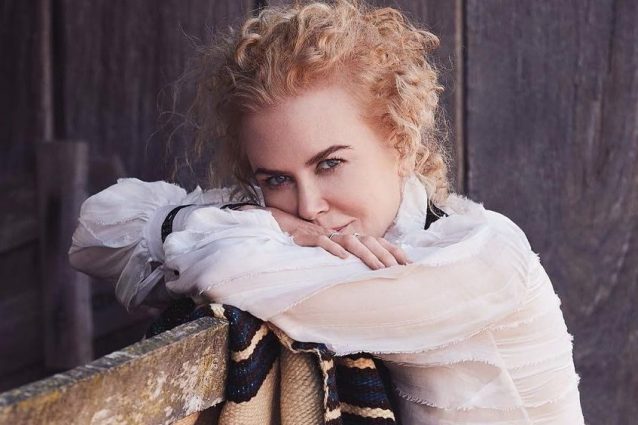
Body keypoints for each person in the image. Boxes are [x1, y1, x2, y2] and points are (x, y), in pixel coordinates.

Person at [69, 0, 585, 423]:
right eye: (276, 179)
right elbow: (97, 230)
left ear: (401, 144)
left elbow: (227, 272)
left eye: (330, 164)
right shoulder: (305, 248)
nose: (309, 207)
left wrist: (261, 225)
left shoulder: (480, 258)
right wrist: (271, 221)